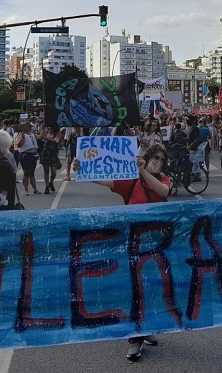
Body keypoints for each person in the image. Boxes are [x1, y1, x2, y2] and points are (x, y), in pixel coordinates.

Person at [72, 143, 170, 361]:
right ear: (146, 157)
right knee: (136, 290)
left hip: (157, 245)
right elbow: (102, 179)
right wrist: (81, 169)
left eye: (161, 159)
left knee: (153, 288)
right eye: (154, 157)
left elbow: (163, 191)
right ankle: (135, 338)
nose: (157, 161)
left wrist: (144, 170)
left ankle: (146, 328)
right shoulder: (131, 181)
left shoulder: (162, 179)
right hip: (133, 244)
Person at [16, 124, 41, 194]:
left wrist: (42, 129)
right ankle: (26, 190)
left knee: (32, 173)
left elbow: (40, 137)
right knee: (26, 172)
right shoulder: (21, 135)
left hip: (33, 154)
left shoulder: (32, 134)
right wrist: (23, 137)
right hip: (25, 154)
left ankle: (35, 189)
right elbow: (19, 145)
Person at [39, 126, 62, 194]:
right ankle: (47, 186)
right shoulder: (47, 132)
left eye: (51, 128)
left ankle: (51, 182)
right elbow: (42, 137)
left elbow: (56, 140)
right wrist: (43, 129)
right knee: (46, 171)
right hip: (46, 153)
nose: (50, 130)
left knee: (54, 172)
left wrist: (48, 139)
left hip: (53, 155)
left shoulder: (58, 133)